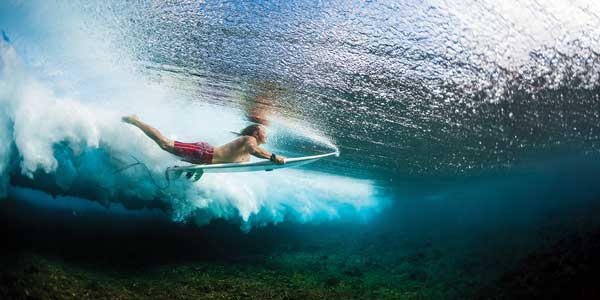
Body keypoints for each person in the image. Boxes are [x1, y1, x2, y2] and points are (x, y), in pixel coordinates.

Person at [121, 115, 285, 165]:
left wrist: (268, 165)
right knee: (165, 143)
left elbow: (247, 157)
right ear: (256, 132)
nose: (266, 135)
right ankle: (136, 121)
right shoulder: (250, 140)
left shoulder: (248, 145)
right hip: (204, 153)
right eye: (264, 132)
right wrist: (272, 157)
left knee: (166, 146)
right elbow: (254, 151)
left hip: (204, 157)